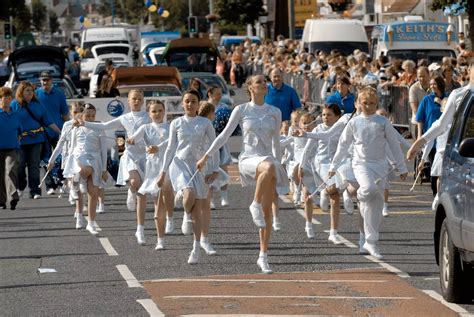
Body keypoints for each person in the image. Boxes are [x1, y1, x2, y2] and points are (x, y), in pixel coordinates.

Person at [196, 75, 289, 274]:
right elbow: (224, 135)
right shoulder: (241, 109)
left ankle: (263, 256)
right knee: (268, 170)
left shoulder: (275, 112)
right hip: (248, 159)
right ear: (250, 88)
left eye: (265, 81)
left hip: (268, 160)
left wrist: (281, 164)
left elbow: (275, 142)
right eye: (259, 82)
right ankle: (253, 203)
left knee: (266, 213)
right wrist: (207, 155)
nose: (264, 84)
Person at [329, 87, 408, 259]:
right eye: (365, 103)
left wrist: (401, 167)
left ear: (377, 103)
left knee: (376, 206)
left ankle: (371, 242)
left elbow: (394, 145)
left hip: (380, 165)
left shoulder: (383, 121)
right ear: (358, 103)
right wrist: (333, 166)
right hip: (361, 164)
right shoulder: (354, 122)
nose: (368, 106)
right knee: (368, 190)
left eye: (372, 103)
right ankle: (357, 195)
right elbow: (343, 145)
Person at [75, 89, 150, 244]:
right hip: (130, 156)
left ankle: (140, 228)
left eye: (139, 99)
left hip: (145, 156)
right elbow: (103, 127)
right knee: (136, 182)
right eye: (133, 99)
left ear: (143, 101)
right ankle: (131, 189)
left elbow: (155, 133)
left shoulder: (148, 117)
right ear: (128, 101)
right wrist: (85, 123)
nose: (136, 101)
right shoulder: (124, 118)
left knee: (144, 194)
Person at [156, 90, 219, 264]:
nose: (190, 104)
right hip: (180, 164)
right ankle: (185, 212)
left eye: (193, 101)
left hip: (199, 166)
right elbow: (170, 148)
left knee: (197, 210)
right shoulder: (176, 123)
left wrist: (215, 169)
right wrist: (163, 172)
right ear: (182, 104)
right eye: (187, 101)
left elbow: (214, 147)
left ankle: (196, 248)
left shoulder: (205, 123)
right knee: (189, 196)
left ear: (199, 104)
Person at [407, 62, 474, 204]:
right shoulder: (458, 95)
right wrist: (419, 143)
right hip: (463, 153)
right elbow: (441, 124)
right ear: (469, 70)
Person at [127, 100, 174, 249]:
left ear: (164, 111)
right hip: (151, 168)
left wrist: (158, 148)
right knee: (156, 202)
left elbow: (171, 142)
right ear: (149, 113)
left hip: (167, 167)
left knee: (165, 199)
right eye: (154, 111)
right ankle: (158, 239)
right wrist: (130, 140)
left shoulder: (170, 126)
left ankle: (171, 217)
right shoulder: (145, 127)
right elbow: (134, 138)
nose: (157, 114)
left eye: (160, 110)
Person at [63, 103, 108, 235]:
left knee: (93, 193)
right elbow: (72, 147)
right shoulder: (76, 128)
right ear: (82, 115)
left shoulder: (99, 129)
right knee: (84, 171)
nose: (90, 118)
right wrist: (68, 163)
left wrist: (104, 169)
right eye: (87, 115)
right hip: (80, 157)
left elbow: (104, 150)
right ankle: (75, 185)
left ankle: (91, 223)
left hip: (95, 160)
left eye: (92, 115)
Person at [300, 105, 343, 243]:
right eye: (324, 115)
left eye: (329, 115)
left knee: (335, 194)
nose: (325, 117)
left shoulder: (341, 130)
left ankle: (333, 232)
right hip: (319, 163)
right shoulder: (318, 129)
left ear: (337, 117)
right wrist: (301, 166)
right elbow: (307, 150)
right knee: (308, 194)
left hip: (334, 164)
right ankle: (308, 224)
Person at [11, 81, 61, 199]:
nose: (30, 93)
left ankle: (35, 191)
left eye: (31, 90)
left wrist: (61, 132)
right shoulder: (14, 105)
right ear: (21, 92)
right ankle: (20, 186)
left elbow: (49, 121)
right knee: (20, 166)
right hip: (20, 141)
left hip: (37, 139)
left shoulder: (38, 104)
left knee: (34, 166)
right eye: (27, 90)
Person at [47, 101, 86, 228]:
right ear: (70, 113)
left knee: (79, 188)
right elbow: (61, 143)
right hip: (68, 158)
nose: (77, 114)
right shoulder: (67, 125)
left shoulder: (86, 125)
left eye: (80, 111)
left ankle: (79, 216)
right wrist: (52, 160)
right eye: (75, 112)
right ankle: (72, 191)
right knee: (73, 182)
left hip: (82, 159)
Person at [36, 71, 69, 195]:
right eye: (43, 80)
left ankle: (60, 181)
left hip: (58, 131)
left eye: (47, 80)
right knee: (46, 159)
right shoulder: (36, 95)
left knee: (61, 158)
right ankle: (50, 185)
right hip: (42, 132)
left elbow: (65, 113)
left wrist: (67, 130)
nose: (45, 82)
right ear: (40, 81)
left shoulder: (59, 94)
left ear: (51, 81)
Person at [415, 75, 446, 195]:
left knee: (442, 167)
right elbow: (419, 119)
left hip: (444, 138)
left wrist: (441, 102)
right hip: (430, 135)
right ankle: (435, 192)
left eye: (435, 84)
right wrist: (419, 136)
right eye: (431, 84)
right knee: (434, 165)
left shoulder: (447, 98)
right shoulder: (426, 99)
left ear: (440, 85)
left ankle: (441, 191)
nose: (432, 86)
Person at [208, 86, 232, 208]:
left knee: (223, 168)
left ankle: (224, 195)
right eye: (217, 94)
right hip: (207, 143)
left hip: (221, 142)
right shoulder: (204, 107)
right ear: (210, 94)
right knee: (209, 169)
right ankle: (210, 199)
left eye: (220, 94)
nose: (219, 96)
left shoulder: (224, 108)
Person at [0, 87, 21, 210]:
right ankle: (1, 201)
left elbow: (20, 131)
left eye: (9, 98)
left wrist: (17, 141)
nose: (7, 100)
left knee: (10, 170)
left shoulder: (15, 115)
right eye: (4, 98)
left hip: (11, 149)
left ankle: (13, 197)